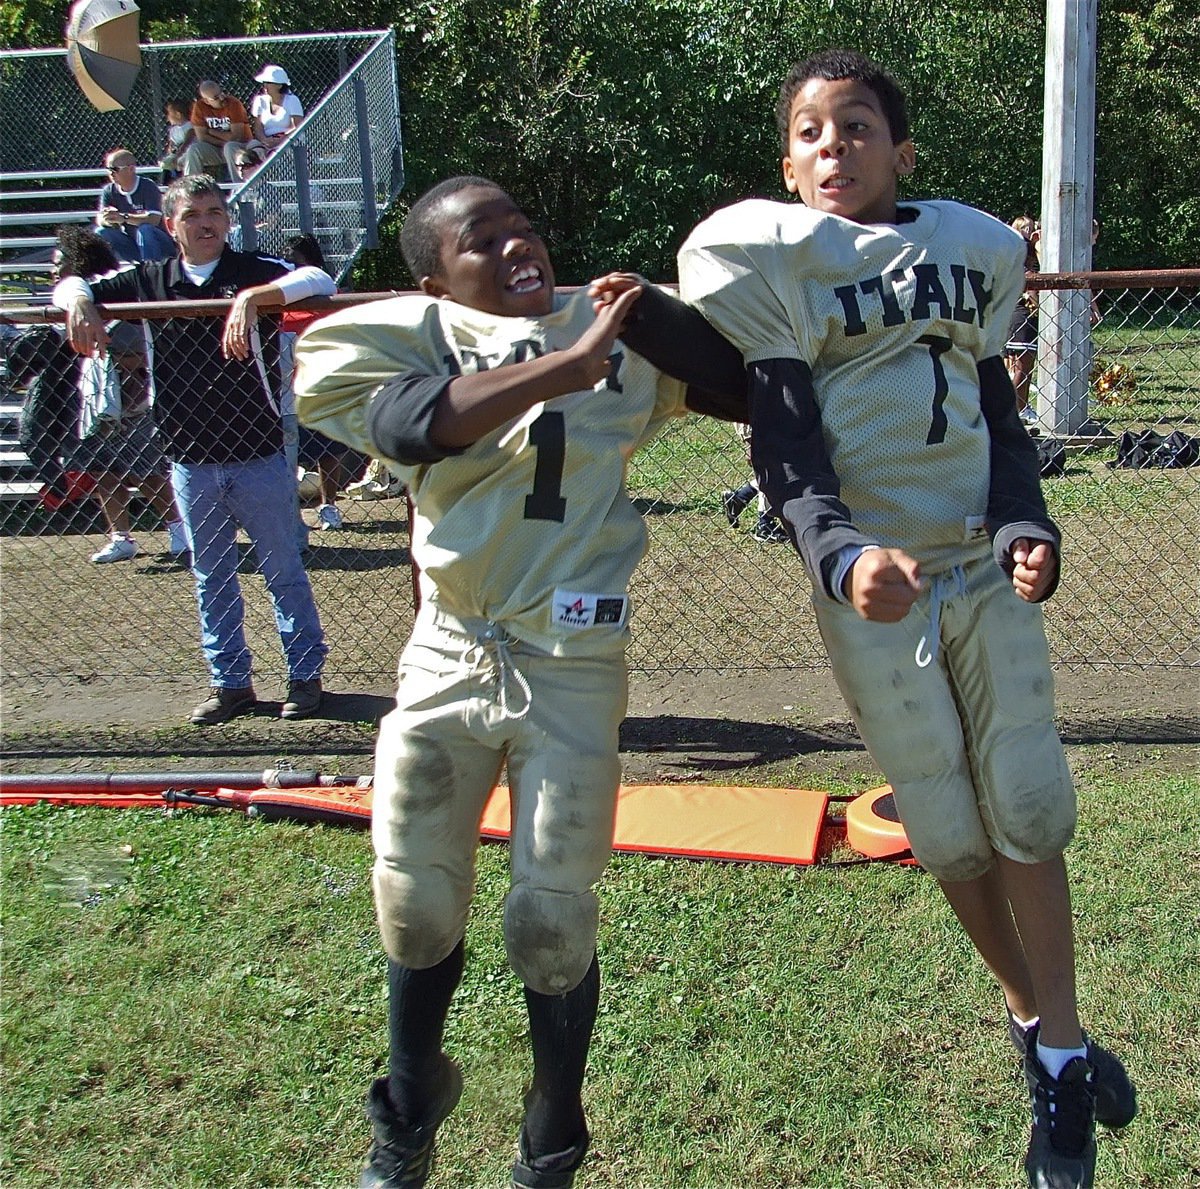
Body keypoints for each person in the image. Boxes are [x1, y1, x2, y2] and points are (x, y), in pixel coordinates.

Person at [676, 49, 1136, 1189]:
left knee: (1027, 802)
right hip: (876, 583)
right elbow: (784, 451)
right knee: (946, 829)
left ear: (903, 150)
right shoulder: (774, 266)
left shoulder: (972, 252)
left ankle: (1064, 1050)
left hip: (977, 560)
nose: (836, 148)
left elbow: (997, 415)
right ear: (786, 163)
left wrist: (1031, 525)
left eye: (858, 127)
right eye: (812, 133)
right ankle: (1042, 1028)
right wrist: (837, 556)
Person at [292, 175, 746, 1189]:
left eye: (523, 229)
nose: (514, 248)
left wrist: (662, 321)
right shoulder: (411, 335)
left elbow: (753, 386)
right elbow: (413, 425)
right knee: (413, 902)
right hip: (451, 649)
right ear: (432, 278)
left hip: (570, 660)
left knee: (551, 918)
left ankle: (554, 1129)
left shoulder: (611, 329)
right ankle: (411, 1099)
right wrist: (564, 367)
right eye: (481, 240)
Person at [52, 173, 336, 724]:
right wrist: (81, 304)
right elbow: (71, 283)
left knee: (284, 570)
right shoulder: (151, 277)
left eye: (215, 213)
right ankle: (231, 684)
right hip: (189, 457)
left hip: (258, 453)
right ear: (170, 226)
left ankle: (305, 676)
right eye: (193, 215)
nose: (207, 223)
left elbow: (316, 276)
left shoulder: (253, 270)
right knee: (212, 575)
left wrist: (257, 299)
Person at [53, 226, 187, 563]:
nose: (54, 270)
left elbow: (137, 349)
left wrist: (126, 375)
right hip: (101, 396)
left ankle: (179, 529)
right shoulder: (78, 300)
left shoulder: (117, 293)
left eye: (61, 263)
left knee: (147, 470)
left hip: (134, 397)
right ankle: (120, 536)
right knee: (103, 468)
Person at [279, 233, 363, 532]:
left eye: (297, 261)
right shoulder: (278, 297)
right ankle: (291, 515)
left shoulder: (327, 293)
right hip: (284, 388)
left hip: (320, 383)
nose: (292, 267)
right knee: (285, 453)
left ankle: (329, 505)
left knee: (328, 450)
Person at [95, 148, 176, 264]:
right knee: (101, 232)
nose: (110, 173)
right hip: (134, 245)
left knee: (145, 229)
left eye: (114, 169)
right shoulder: (109, 190)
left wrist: (123, 218)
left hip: (160, 245)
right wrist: (108, 219)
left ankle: (150, 271)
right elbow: (100, 218)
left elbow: (154, 219)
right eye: (108, 169)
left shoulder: (147, 186)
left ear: (131, 169)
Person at [720, 422, 789, 543]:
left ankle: (740, 498)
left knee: (778, 467)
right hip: (753, 420)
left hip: (772, 417)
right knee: (769, 467)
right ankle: (765, 525)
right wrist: (749, 440)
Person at [1004, 215, 1041, 420]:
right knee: (1022, 366)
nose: (1031, 231)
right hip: (1022, 315)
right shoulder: (1020, 258)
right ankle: (1015, 410)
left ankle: (1020, 407)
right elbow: (1032, 290)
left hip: (1015, 315)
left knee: (1022, 366)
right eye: (1025, 228)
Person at [180, 81, 252, 182]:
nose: (222, 98)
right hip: (216, 149)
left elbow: (236, 137)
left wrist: (210, 131)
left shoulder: (234, 104)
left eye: (221, 93)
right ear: (206, 101)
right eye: (216, 98)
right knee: (194, 149)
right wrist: (223, 140)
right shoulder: (199, 107)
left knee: (229, 146)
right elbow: (202, 137)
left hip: (239, 147)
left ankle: (239, 189)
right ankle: (190, 188)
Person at [248, 65, 304, 156]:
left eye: (269, 82)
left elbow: (298, 127)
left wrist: (280, 140)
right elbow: (258, 128)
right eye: (264, 82)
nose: (265, 85)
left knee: (276, 153)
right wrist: (265, 141)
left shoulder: (293, 100)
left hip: (289, 142)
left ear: (279, 85)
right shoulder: (259, 100)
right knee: (251, 149)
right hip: (265, 143)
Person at [160, 99, 196, 181]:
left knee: (179, 162)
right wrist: (170, 154)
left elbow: (187, 143)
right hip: (176, 154)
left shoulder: (189, 127)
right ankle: (166, 183)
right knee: (165, 164)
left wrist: (177, 155)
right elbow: (171, 145)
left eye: (169, 114)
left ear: (178, 114)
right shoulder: (173, 130)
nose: (167, 118)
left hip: (186, 153)